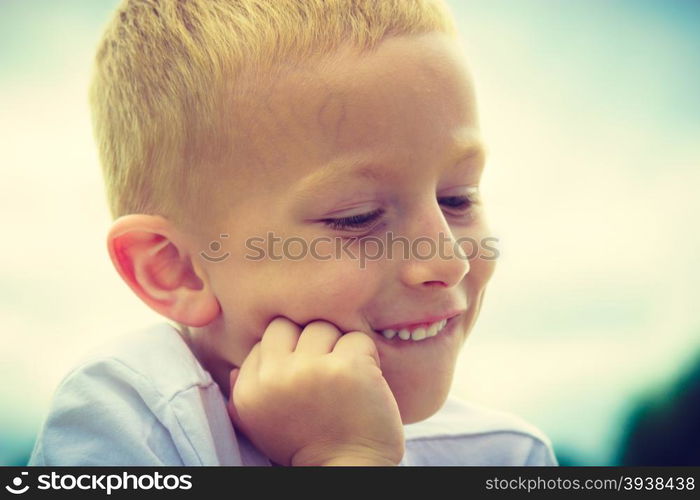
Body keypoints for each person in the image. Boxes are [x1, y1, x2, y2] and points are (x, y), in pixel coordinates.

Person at [29, 0, 557, 466]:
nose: (449, 260)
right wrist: (346, 459)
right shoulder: (126, 421)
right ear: (177, 269)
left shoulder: (506, 454)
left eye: (457, 198)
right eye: (357, 217)